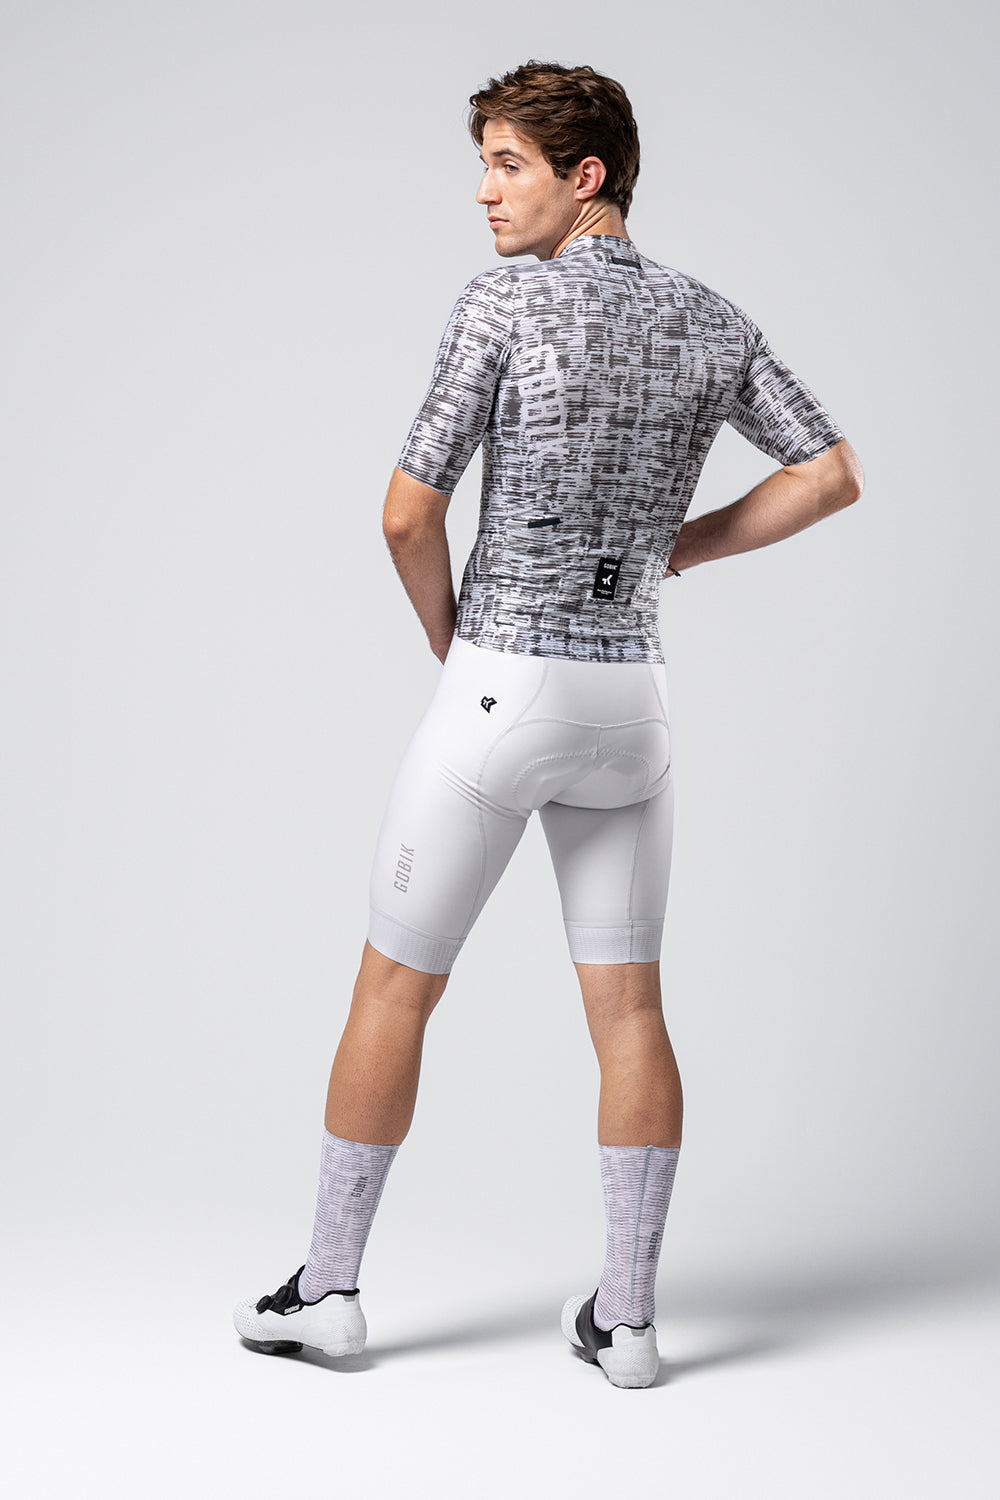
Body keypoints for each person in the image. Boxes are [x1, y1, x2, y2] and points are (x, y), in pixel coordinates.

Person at [233, 60, 863, 1389]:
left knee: (394, 987)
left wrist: (448, 635)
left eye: (507, 163)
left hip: (501, 685)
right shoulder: (712, 319)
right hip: (632, 706)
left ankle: (328, 1292)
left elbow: (405, 513)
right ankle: (627, 1323)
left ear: (589, 176)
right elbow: (832, 473)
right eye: (484, 164)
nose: (484, 191)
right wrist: (680, 548)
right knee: (631, 1012)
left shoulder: (504, 303)